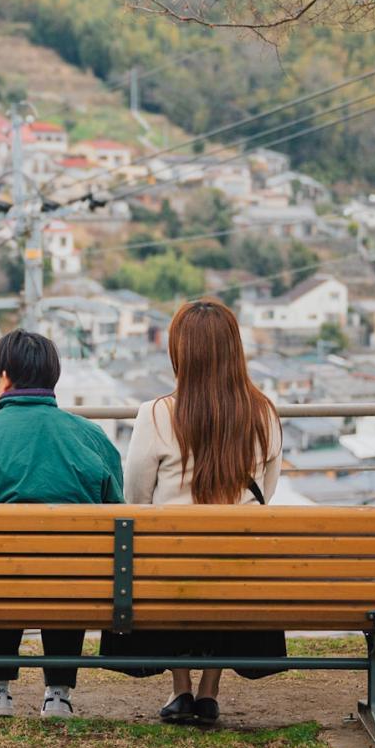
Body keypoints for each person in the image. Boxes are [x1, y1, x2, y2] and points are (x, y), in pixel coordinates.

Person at [106, 298, 285, 726]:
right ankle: (209, 690)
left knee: (154, 554)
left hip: (169, 574)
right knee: (231, 555)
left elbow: (136, 498)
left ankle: (181, 689)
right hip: (238, 577)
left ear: (179, 352)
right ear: (233, 350)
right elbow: (267, 494)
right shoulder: (264, 414)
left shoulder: (155, 414)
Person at [0, 329, 124, 720]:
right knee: (72, 567)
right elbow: (117, 512)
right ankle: (58, 693)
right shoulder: (91, 437)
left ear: (3, 377)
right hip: (76, 585)